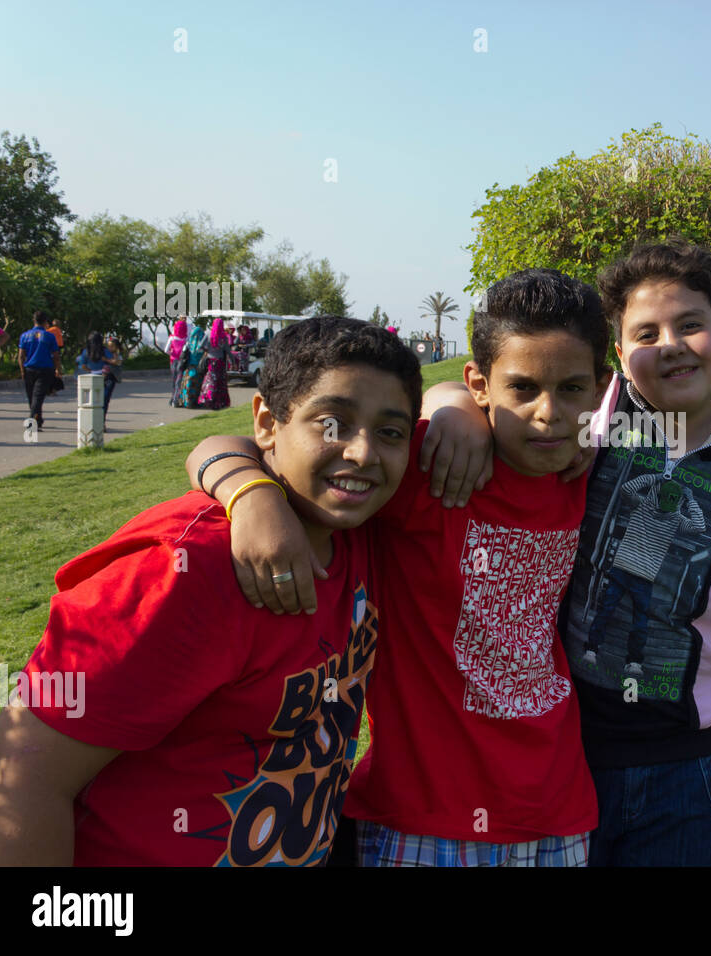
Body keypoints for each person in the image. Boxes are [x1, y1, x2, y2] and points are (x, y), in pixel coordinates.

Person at [183, 269, 608, 867]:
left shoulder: (590, 474)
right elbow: (223, 446)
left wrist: (453, 402)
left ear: (600, 387)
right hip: (420, 819)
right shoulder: (432, 467)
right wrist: (251, 496)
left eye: (570, 389)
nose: (548, 413)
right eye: (522, 388)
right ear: (480, 384)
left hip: (558, 812)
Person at [422, 241, 711, 866]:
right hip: (570, 750)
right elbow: (496, 389)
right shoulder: (586, 415)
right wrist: (456, 411)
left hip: (702, 758)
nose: (671, 345)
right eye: (645, 333)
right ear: (620, 358)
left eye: (691, 324)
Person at [0, 316, 421, 865]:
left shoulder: (363, 531)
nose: (361, 453)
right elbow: (19, 778)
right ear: (267, 421)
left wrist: (246, 482)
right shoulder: (183, 569)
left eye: (390, 432)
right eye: (331, 424)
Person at [18, 310, 62, 429]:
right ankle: (34, 419)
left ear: (34, 320)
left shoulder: (25, 335)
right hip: (45, 370)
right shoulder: (49, 336)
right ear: (45, 322)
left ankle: (35, 418)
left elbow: (21, 356)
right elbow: (56, 356)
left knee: (32, 396)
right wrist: (58, 369)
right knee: (37, 396)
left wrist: (22, 370)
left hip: (29, 369)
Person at [75, 331, 119, 417]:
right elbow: (114, 362)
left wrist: (90, 370)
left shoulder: (85, 351)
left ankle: (93, 420)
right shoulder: (105, 350)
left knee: (92, 401)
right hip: (106, 377)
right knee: (104, 401)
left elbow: (83, 366)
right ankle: (101, 421)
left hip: (91, 377)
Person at [199, 316, 231, 410]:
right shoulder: (223, 336)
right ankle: (220, 401)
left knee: (210, 380)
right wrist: (233, 361)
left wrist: (208, 350)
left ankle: (208, 399)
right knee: (219, 382)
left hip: (210, 361)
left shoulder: (208, 334)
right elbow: (228, 351)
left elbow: (200, 346)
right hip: (220, 362)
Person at [176, 322, 207, 409]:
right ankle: (193, 403)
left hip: (189, 369)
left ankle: (185, 402)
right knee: (196, 387)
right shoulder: (202, 346)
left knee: (187, 385)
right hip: (198, 369)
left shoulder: (188, 344)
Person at [167, 317, 188, 405]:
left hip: (173, 361)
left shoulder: (172, 338)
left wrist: (171, 354)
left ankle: (172, 398)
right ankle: (176, 400)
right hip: (181, 362)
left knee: (173, 380)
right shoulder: (186, 339)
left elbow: (166, 350)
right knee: (179, 381)